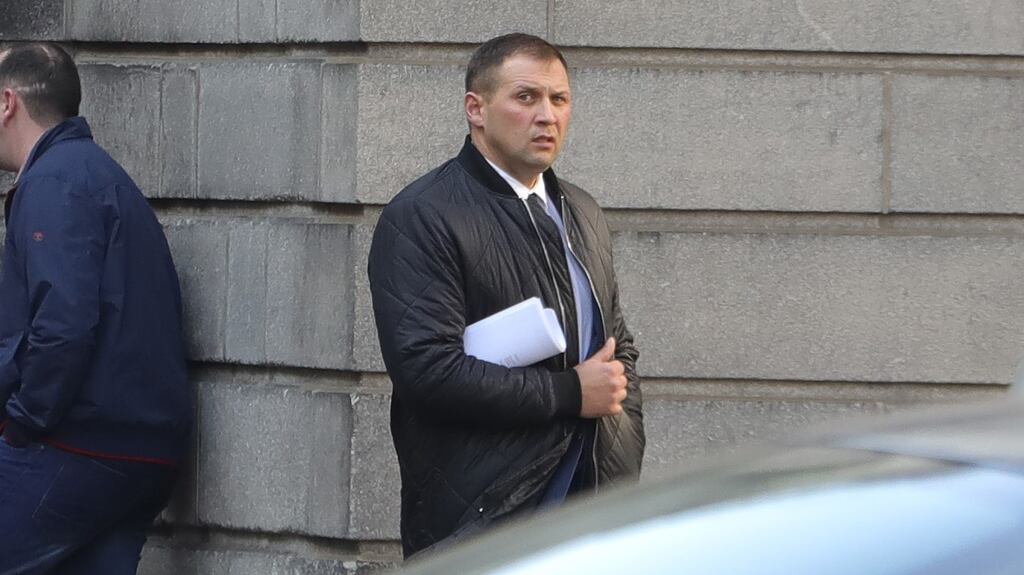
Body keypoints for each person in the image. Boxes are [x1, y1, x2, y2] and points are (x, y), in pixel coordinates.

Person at [368, 33, 644, 558]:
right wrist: (569, 394)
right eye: (526, 97)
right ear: (476, 108)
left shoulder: (581, 211)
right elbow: (426, 372)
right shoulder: (423, 216)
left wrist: (624, 450)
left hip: (593, 512)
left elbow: (618, 347)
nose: (547, 116)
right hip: (483, 520)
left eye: (559, 99)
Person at [0, 42, 192, 574]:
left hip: (77, 445)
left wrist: (21, 423)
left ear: (6, 102)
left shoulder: (55, 182)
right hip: (140, 454)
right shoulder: (96, 174)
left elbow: (61, 326)